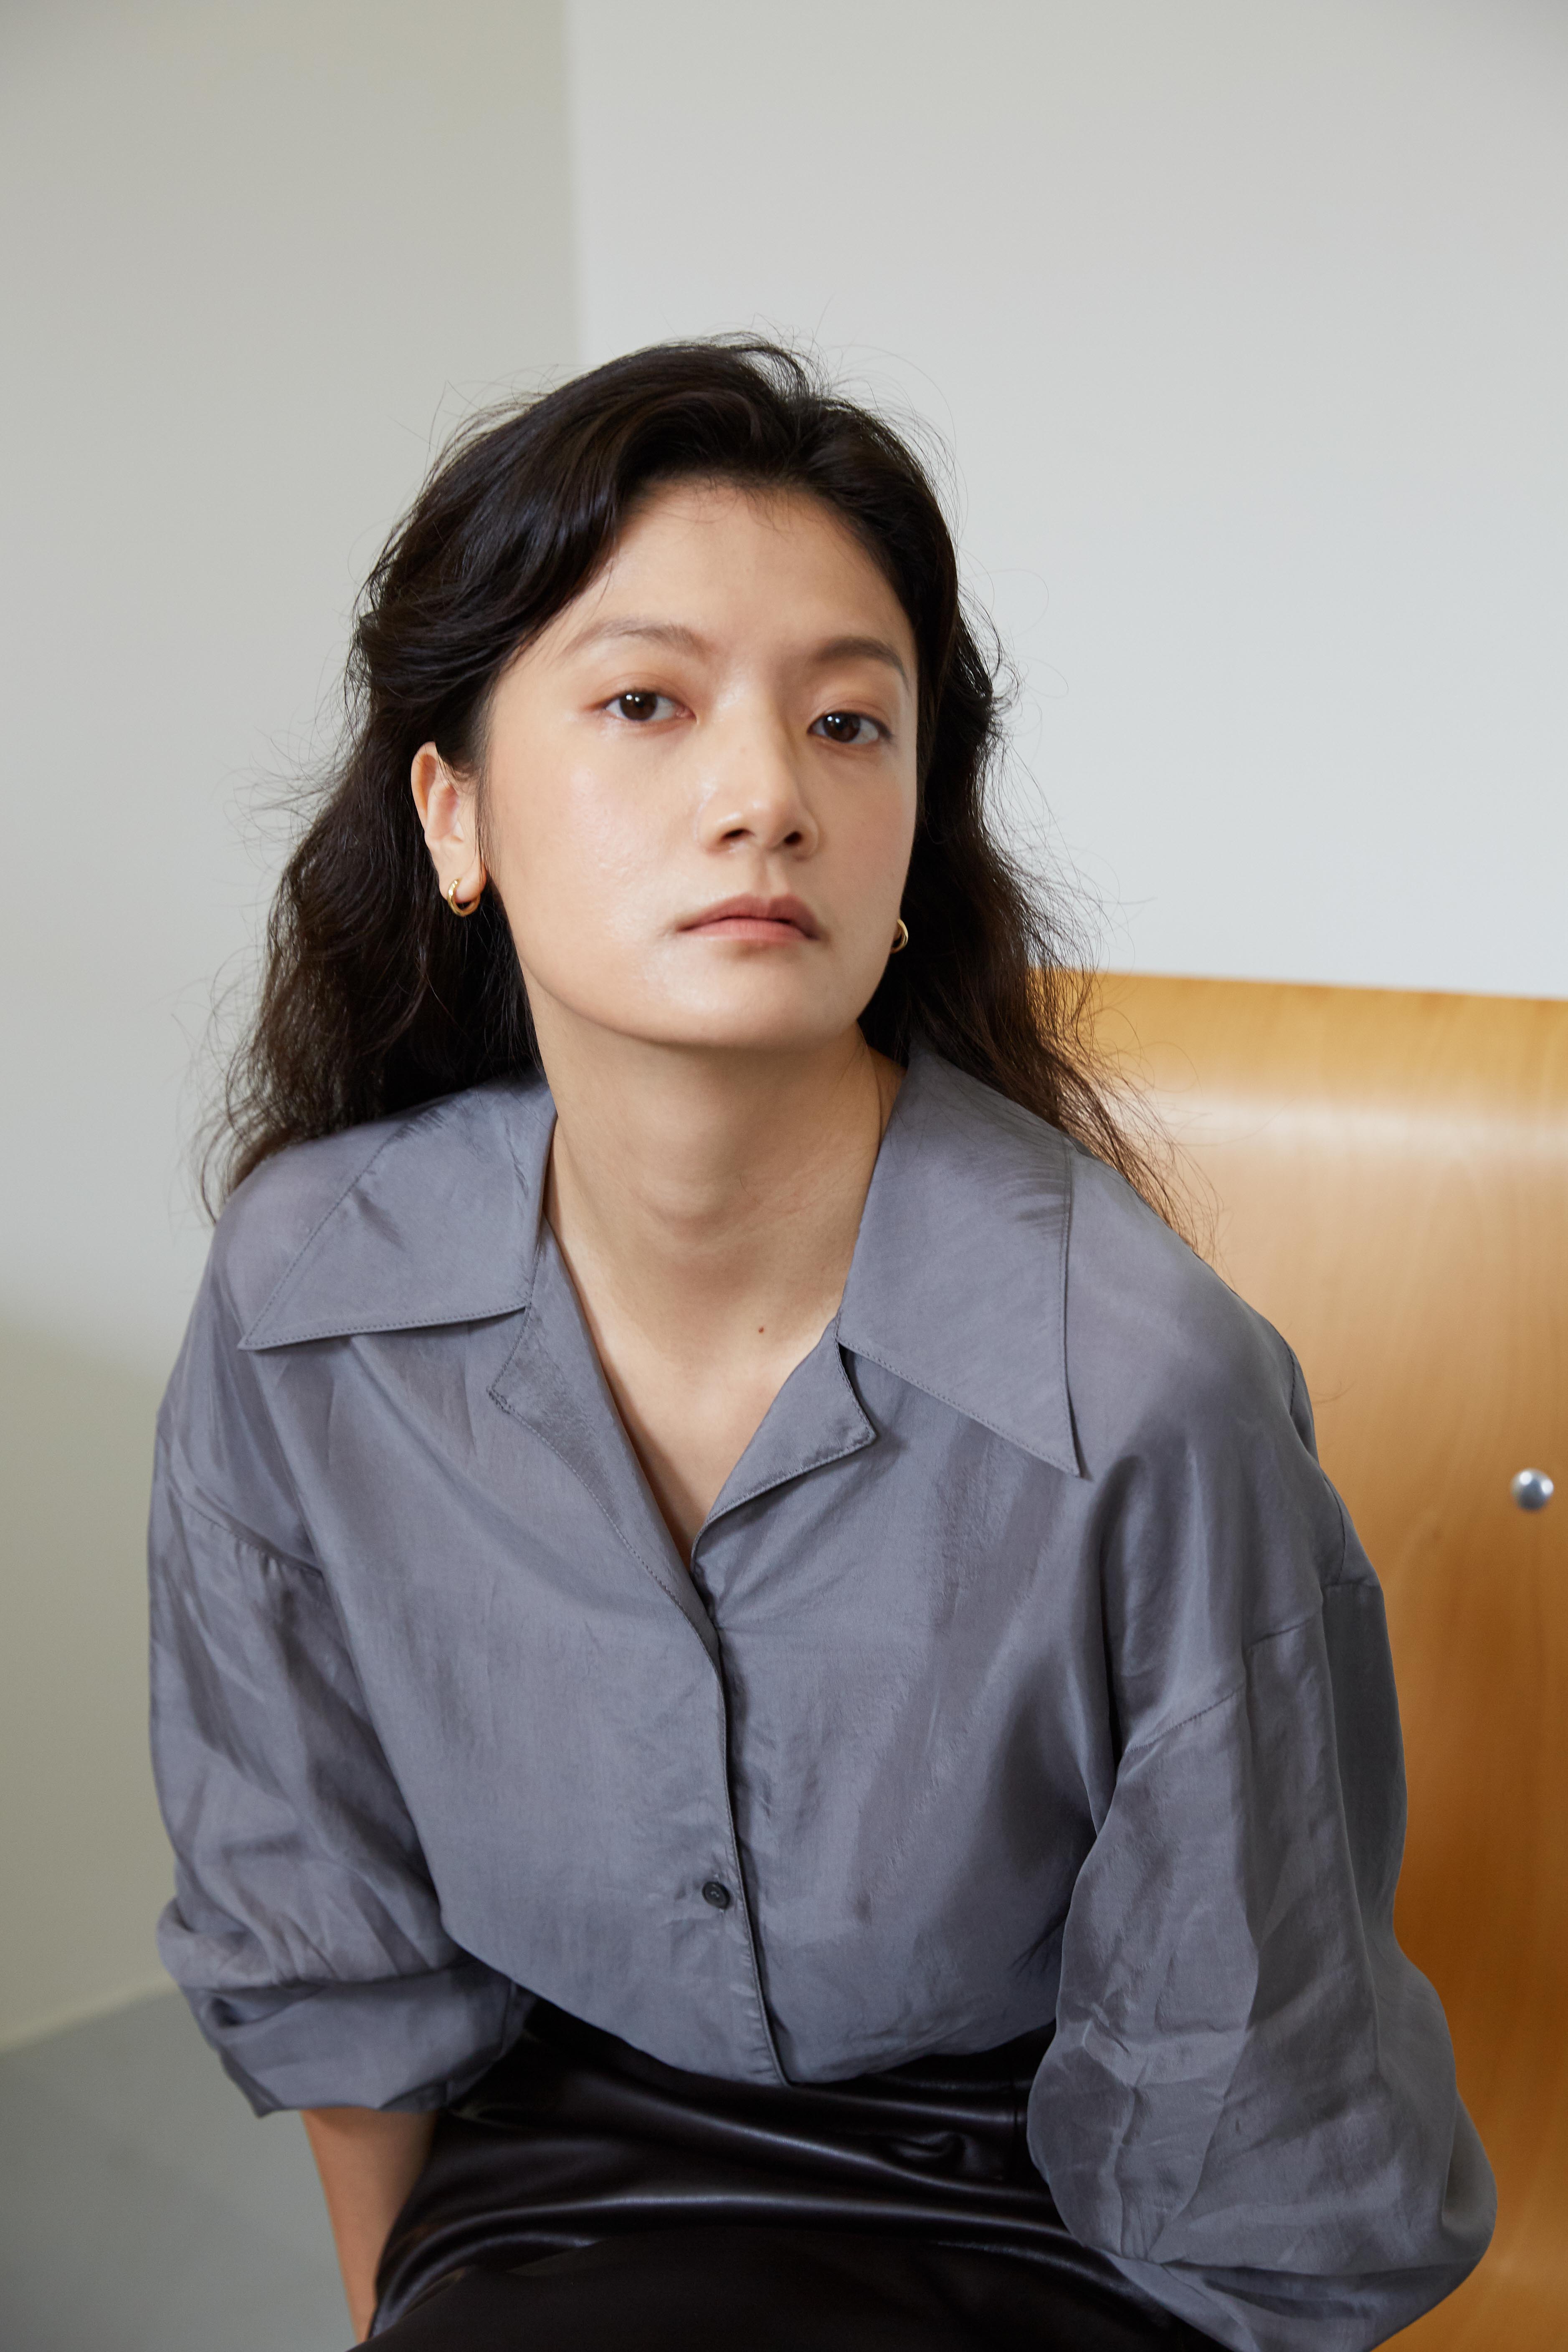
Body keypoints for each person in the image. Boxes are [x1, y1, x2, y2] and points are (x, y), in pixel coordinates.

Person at [149, 340, 1493, 2352]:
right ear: (454, 811)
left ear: (912, 830)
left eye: (849, 722)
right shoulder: (306, 1294)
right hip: (559, 2152)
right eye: (646, 703)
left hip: (1044, 2194)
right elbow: (329, 1935)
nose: (768, 796)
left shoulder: (1145, 1386)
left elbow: (1247, 2103)